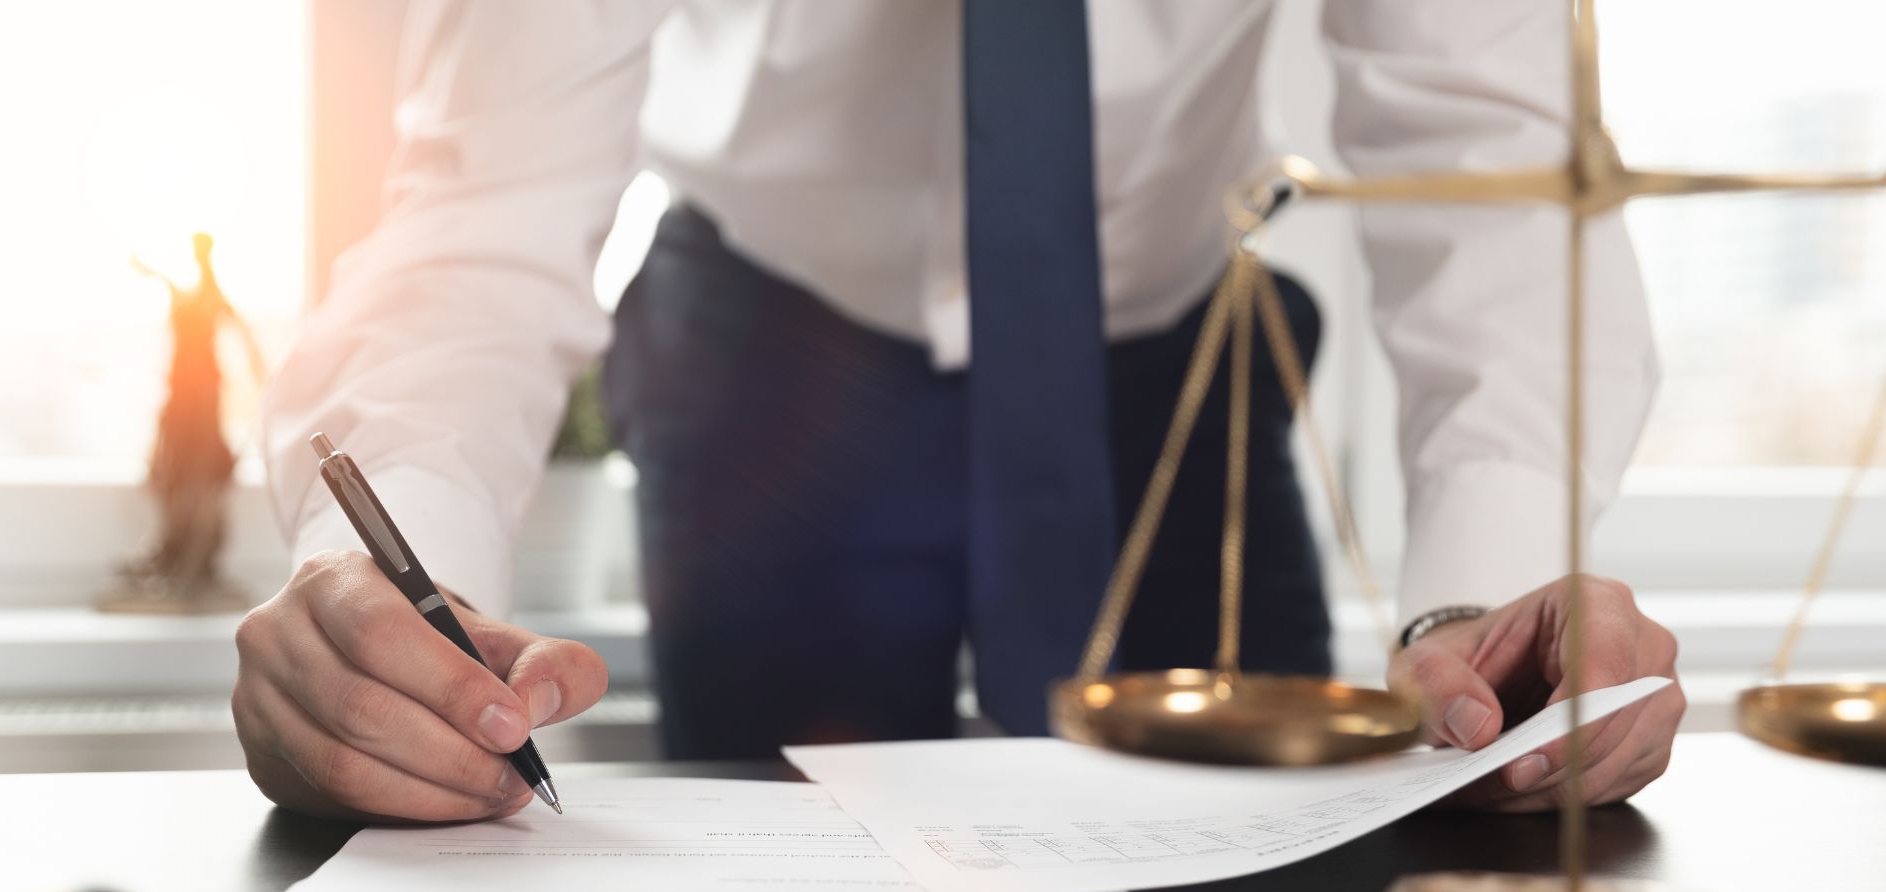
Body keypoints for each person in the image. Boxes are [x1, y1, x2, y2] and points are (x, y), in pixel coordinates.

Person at [234, 1, 1683, 823]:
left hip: (1163, 357)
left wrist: (1489, 600)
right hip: (776, 365)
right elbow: (488, 211)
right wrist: (380, 573)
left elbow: (1493, 160)